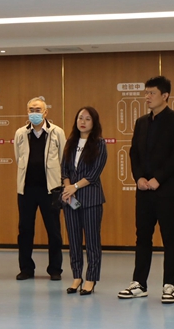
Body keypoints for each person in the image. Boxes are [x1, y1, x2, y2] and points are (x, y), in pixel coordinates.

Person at [117, 76, 174, 303]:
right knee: (142, 236)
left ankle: (170, 285)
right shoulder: (141, 122)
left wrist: (158, 178)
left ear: (165, 96)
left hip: (167, 189)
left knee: (169, 236)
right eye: (146, 93)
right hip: (143, 189)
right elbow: (134, 153)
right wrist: (138, 177)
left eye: (152, 93)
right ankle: (139, 283)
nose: (147, 97)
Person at [13, 97, 66, 281]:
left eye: (38, 110)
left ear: (45, 112)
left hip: (50, 190)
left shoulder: (56, 132)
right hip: (26, 190)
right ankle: (26, 269)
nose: (34, 113)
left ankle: (55, 269)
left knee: (54, 231)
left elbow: (63, 159)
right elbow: (18, 158)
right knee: (25, 230)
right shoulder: (21, 133)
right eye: (31, 109)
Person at [61, 107, 108, 295]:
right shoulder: (70, 142)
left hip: (91, 199)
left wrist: (75, 186)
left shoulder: (99, 144)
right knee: (73, 240)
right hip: (70, 199)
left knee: (92, 241)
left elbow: (94, 173)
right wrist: (67, 188)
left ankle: (91, 278)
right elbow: (64, 169)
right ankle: (76, 276)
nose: (83, 121)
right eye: (80, 118)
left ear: (94, 123)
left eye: (88, 119)